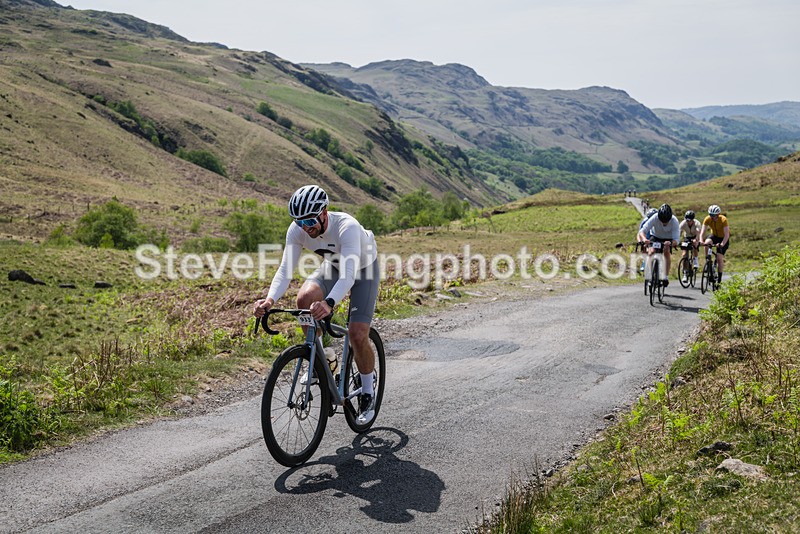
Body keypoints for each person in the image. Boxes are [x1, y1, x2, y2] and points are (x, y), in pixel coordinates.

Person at [253, 185, 380, 424]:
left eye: (310, 220)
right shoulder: (297, 230)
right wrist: (270, 299)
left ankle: (367, 391)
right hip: (333, 266)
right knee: (304, 300)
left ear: (324, 212)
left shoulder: (347, 227)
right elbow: (285, 270)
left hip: (362, 270)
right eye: (300, 222)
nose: (306, 227)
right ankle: (322, 358)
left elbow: (350, 276)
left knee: (357, 333)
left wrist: (330, 302)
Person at [638, 203, 680, 286]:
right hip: (656, 236)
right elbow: (642, 231)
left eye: (666, 221)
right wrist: (644, 239)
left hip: (668, 239)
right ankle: (649, 275)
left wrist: (671, 243)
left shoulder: (674, 221)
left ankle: (665, 276)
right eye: (662, 220)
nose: (664, 222)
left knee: (666, 251)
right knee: (651, 252)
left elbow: (676, 239)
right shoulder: (655, 217)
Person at [698, 204, 730, 285]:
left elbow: (727, 234)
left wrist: (722, 244)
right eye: (710, 215)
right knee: (707, 243)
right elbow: (702, 232)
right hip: (714, 236)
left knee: (719, 258)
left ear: (718, 214)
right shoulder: (707, 219)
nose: (712, 217)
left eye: (714, 215)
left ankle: (719, 279)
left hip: (723, 238)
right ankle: (708, 261)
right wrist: (701, 240)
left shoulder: (723, 219)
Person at [678, 210, 701, 282]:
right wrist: (677, 241)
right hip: (687, 237)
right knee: (684, 254)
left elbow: (698, 234)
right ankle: (685, 273)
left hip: (694, 237)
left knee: (695, 245)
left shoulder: (697, 223)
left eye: (689, 220)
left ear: (692, 220)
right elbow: (678, 232)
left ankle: (696, 261)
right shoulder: (683, 223)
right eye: (686, 220)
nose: (688, 221)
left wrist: (696, 239)